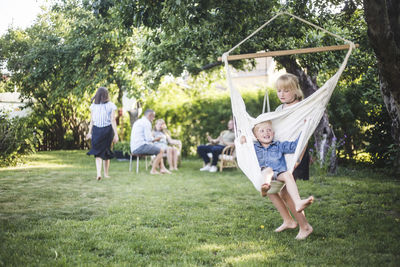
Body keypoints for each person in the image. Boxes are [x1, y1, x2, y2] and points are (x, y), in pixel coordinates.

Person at [240, 120, 314, 240]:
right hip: (265, 173)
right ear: (256, 136)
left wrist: (305, 129)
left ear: (273, 133)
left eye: (269, 130)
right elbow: (243, 148)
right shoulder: (254, 147)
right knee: (268, 170)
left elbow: (295, 146)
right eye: (262, 131)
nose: (266, 133)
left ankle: (298, 202)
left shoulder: (279, 145)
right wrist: (242, 140)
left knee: (287, 174)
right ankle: (266, 186)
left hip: (279, 172)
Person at [275, 73, 310, 181]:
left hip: (296, 152)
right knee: (279, 187)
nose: (282, 94)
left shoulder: (301, 108)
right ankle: (295, 199)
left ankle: (296, 199)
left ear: (295, 90)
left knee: (287, 186)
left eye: (286, 91)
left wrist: (298, 159)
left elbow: (305, 135)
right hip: (281, 152)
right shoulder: (279, 109)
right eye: (279, 90)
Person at [86, 87, 119, 181]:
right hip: (107, 130)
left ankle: (98, 173)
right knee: (106, 151)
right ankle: (106, 174)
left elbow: (91, 121)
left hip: (96, 130)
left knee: (97, 152)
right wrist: (116, 134)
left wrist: (89, 132)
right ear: (106, 95)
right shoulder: (111, 105)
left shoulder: (93, 106)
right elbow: (113, 120)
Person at [130, 109, 169, 174]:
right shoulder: (147, 123)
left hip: (134, 148)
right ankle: (153, 170)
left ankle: (162, 168)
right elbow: (149, 139)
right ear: (150, 115)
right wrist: (157, 139)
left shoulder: (138, 121)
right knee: (161, 151)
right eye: (153, 116)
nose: (153, 119)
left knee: (158, 150)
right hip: (140, 147)